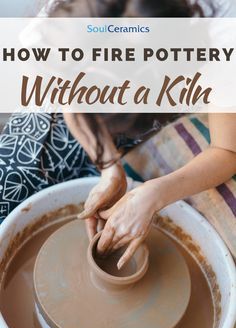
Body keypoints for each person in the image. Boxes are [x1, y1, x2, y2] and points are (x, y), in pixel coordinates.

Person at [0, 0, 236, 271]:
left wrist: (153, 194)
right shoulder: (66, 22)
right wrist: (109, 167)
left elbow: (227, 150)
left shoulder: (224, 32)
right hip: (73, 90)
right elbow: (56, 86)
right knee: (10, 180)